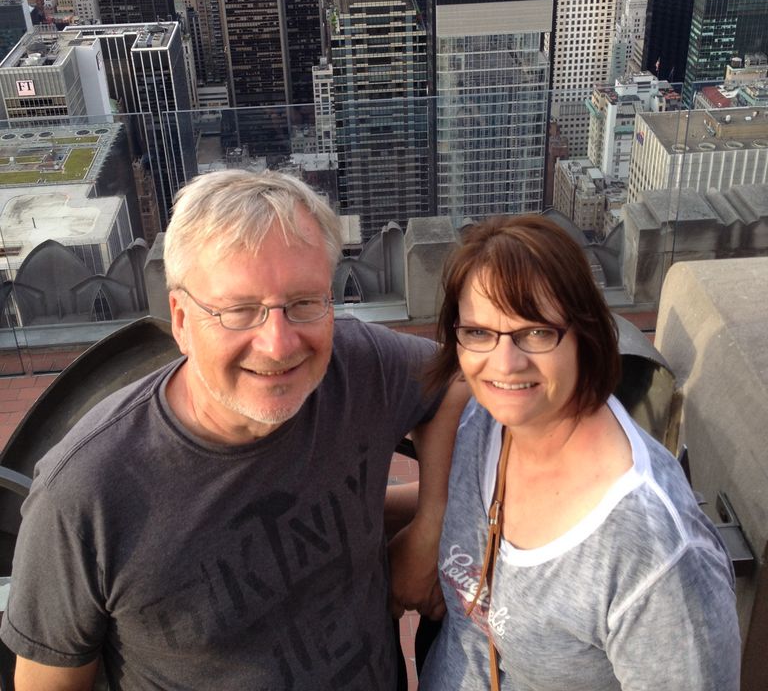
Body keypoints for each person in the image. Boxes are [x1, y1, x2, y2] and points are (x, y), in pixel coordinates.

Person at [1, 169, 465, 691]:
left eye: (304, 303)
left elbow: (455, 381)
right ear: (180, 319)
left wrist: (430, 530)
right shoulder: (84, 493)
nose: (278, 344)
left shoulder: (357, 369)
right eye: (239, 311)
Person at [419, 214, 740, 691]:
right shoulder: (488, 423)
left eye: (536, 332)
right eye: (479, 333)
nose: (505, 363)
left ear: (585, 335)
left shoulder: (654, 556)